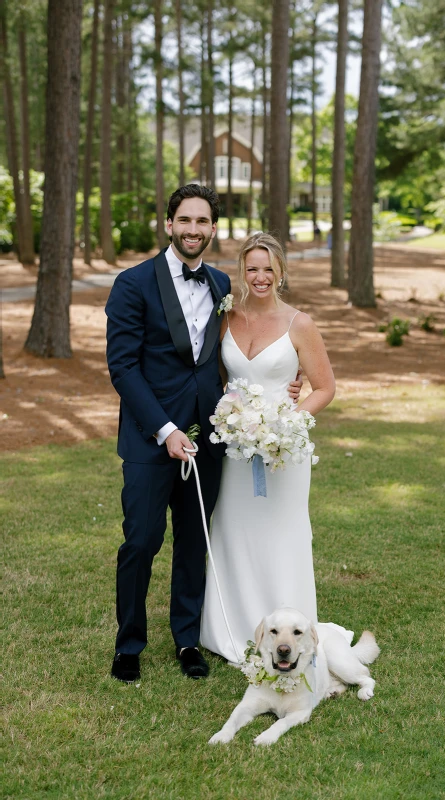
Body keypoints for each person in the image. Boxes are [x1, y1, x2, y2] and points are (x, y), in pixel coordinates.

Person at [105, 185, 301, 683]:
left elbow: (234, 355)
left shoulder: (219, 285)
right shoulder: (132, 284)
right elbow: (124, 368)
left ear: (213, 228)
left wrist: (285, 384)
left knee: (195, 541)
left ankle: (188, 639)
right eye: (185, 220)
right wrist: (165, 430)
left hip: (211, 441)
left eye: (203, 222)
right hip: (152, 440)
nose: (194, 230)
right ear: (169, 224)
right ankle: (129, 645)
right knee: (142, 542)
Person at [200, 232, 336, 663]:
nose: (260, 276)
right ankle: (235, 628)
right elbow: (219, 380)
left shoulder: (300, 324)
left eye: (268, 268)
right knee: (234, 529)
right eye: (252, 268)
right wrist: (235, 419)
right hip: (238, 451)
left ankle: (290, 636)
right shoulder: (227, 317)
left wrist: (285, 422)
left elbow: (326, 387)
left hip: (283, 453)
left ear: (281, 272)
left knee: (282, 534)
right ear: (242, 272)